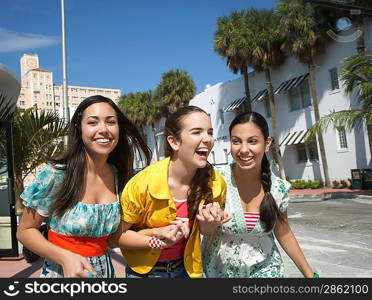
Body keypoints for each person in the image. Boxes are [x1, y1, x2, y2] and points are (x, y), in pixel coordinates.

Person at [17, 95, 151, 278]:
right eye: (93, 122)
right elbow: (25, 231)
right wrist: (65, 257)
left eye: (111, 122)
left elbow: (115, 238)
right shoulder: (57, 175)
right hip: (61, 274)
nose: (103, 129)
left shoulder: (122, 178)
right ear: (79, 129)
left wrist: (158, 234)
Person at [112, 105, 230, 278]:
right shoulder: (142, 183)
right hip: (144, 275)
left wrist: (210, 223)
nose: (207, 139)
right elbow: (115, 238)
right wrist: (155, 238)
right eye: (197, 132)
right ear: (174, 141)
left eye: (210, 132)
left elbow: (206, 232)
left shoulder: (216, 183)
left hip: (187, 271)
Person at [202, 111, 317, 278]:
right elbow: (205, 230)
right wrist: (209, 223)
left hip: (265, 270)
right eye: (236, 141)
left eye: (252, 141)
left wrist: (310, 275)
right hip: (217, 271)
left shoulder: (278, 189)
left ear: (267, 143)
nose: (243, 149)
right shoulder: (215, 179)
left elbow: (283, 232)